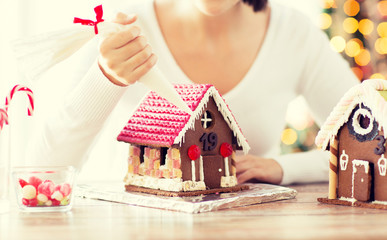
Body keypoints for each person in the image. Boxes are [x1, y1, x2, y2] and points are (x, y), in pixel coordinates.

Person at [28, 0, 359, 185]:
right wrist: (105, 78)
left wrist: (284, 168)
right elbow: (40, 172)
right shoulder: (123, 30)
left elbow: (374, 144)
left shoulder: (294, 34)